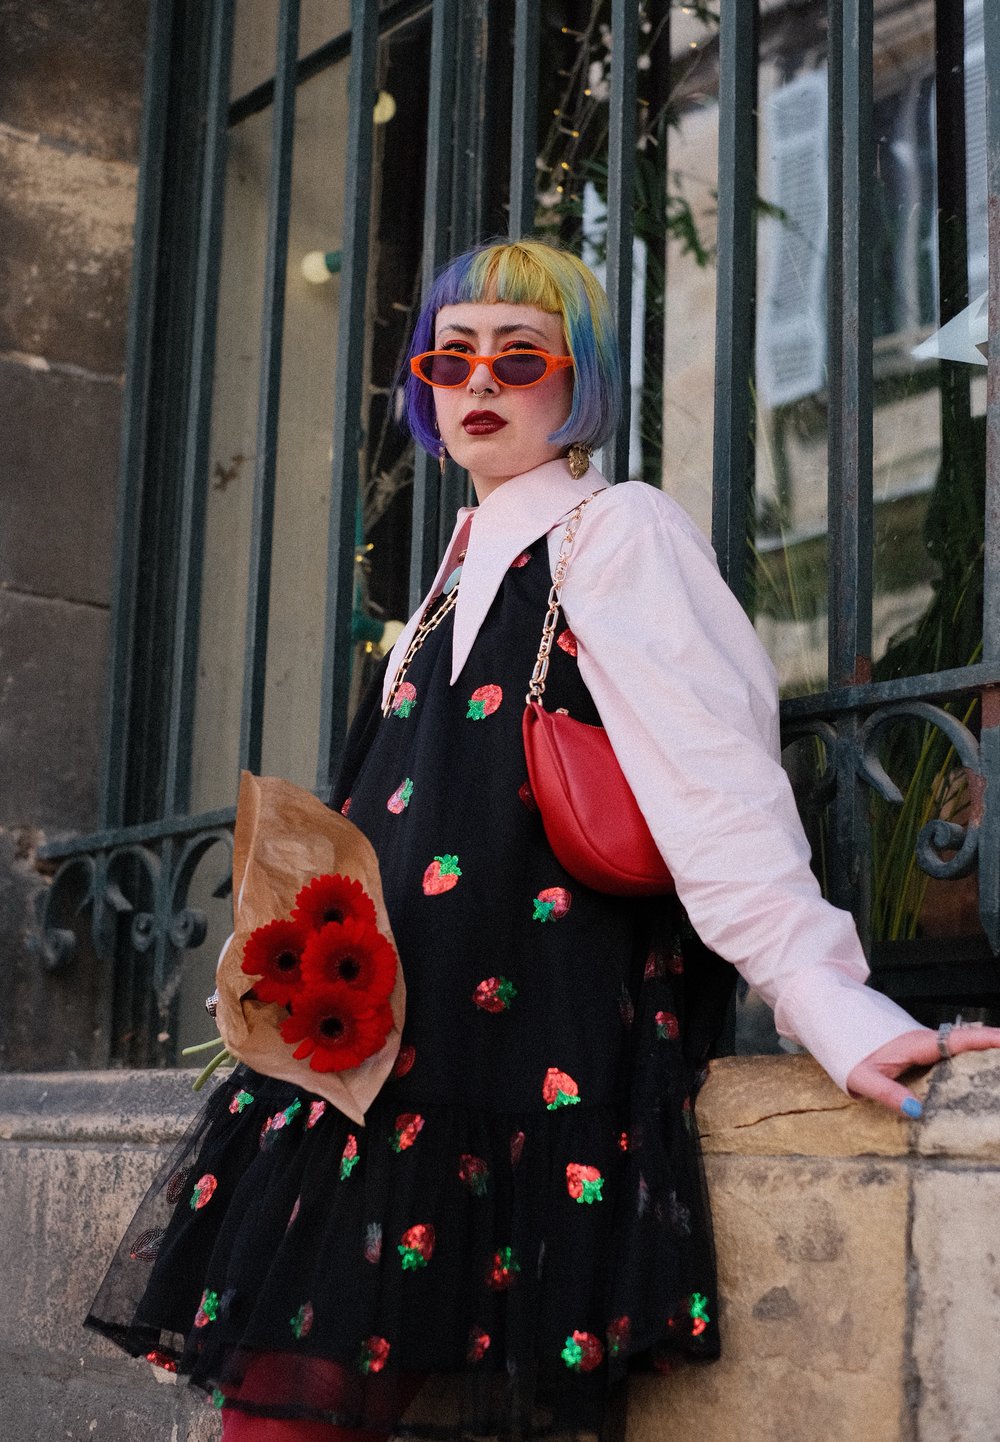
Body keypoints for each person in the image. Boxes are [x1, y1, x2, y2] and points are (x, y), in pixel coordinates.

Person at [86, 239, 1000, 1441]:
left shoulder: (617, 533)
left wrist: (830, 1005)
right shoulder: (449, 574)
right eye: (450, 356)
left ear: (581, 381)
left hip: (524, 1050)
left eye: (520, 357)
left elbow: (716, 786)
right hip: (394, 1062)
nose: (479, 382)